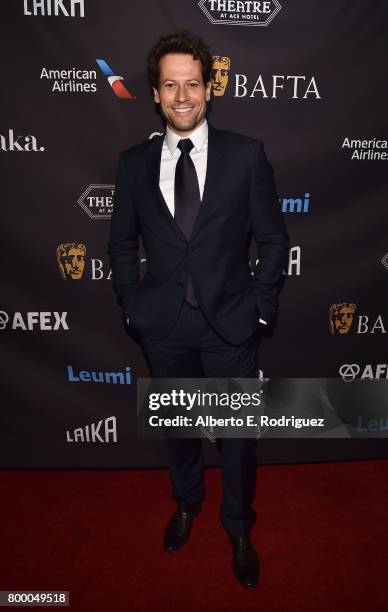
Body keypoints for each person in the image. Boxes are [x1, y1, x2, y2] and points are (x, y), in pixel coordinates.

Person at [108, 30, 289, 588]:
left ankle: (238, 525)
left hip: (230, 325)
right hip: (163, 326)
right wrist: (133, 304)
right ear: (156, 94)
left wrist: (259, 308)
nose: (182, 96)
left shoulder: (245, 154)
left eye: (192, 84)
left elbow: (273, 240)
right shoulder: (134, 163)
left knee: (236, 439)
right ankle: (187, 503)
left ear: (209, 89)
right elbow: (120, 245)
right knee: (181, 430)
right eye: (170, 85)